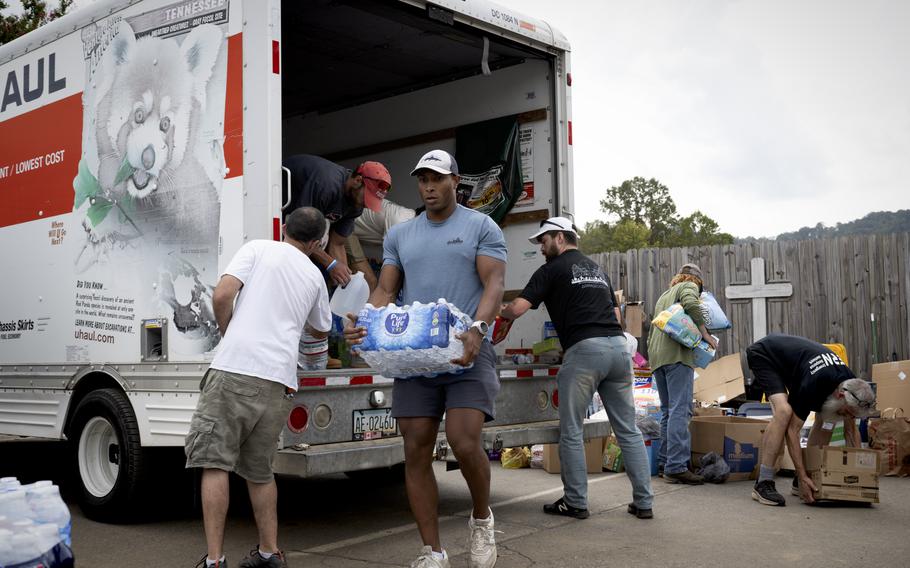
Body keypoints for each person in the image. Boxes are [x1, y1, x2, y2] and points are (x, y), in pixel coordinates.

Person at [344, 149, 506, 568]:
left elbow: (494, 284)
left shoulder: (480, 226)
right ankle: (432, 552)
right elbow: (385, 290)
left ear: (455, 180)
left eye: (437, 178)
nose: (429, 187)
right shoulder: (401, 235)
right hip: (416, 356)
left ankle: (482, 518)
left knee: (463, 441)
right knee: (415, 450)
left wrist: (479, 328)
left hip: (466, 351)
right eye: (422, 180)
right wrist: (367, 321)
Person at [185, 207, 332, 568]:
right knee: (260, 471)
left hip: (235, 370)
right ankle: (269, 553)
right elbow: (322, 328)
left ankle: (215, 561)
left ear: (285, 228)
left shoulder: (257, 249)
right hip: (279, 381)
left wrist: (230, 331)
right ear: (316, 243)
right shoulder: (314, 276)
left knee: (215, 463)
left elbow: (222, 295)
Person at [499, 217, 654, 521]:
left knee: (571, 430)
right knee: (627, 429)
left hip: (584, 352)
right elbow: (616, 318)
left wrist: (495, 312)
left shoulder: (550, 270)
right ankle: (644, 502)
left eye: (543, 241)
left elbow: (517, 308)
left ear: (559, 237)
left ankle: (575, 502)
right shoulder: (597, 269)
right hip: (618, 350)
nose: (542, 248)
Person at [746, 334, 876, 506]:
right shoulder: (812, 385)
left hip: (801, 364)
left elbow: (850, 430)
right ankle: (763, 482)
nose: (848, 417)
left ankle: (811, 476)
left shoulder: (850, 382)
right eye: (848, 412)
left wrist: (860, 478)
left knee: (827, 423)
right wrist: (801, 475)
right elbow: (792, 432)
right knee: (784, 412)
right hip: (766, 355)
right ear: (840, 395)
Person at [647, 263, 717, 485]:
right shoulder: (689, 286)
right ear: (696, 280)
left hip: (658, 359)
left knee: (669, 411)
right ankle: (676, 467)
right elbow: (690, 302)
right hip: (677, 356)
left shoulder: (663, 296)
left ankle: (665, 463)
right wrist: (705, 334)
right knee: (681, 410)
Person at [282, 154, 391, 287]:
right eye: (367, 197)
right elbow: (301, 236)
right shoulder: (328, 185)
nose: (367, 204)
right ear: (357, 180)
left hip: (300, 228)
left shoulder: (356, 204)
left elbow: (337, 243)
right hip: (278, 209)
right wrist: (331, 264)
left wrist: (344, 277)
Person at [344, 198, 424, 291]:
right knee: (370, 282)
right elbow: (397, 262)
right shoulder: (401, 221)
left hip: (354, 230)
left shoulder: (412, 223)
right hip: (346, 225)